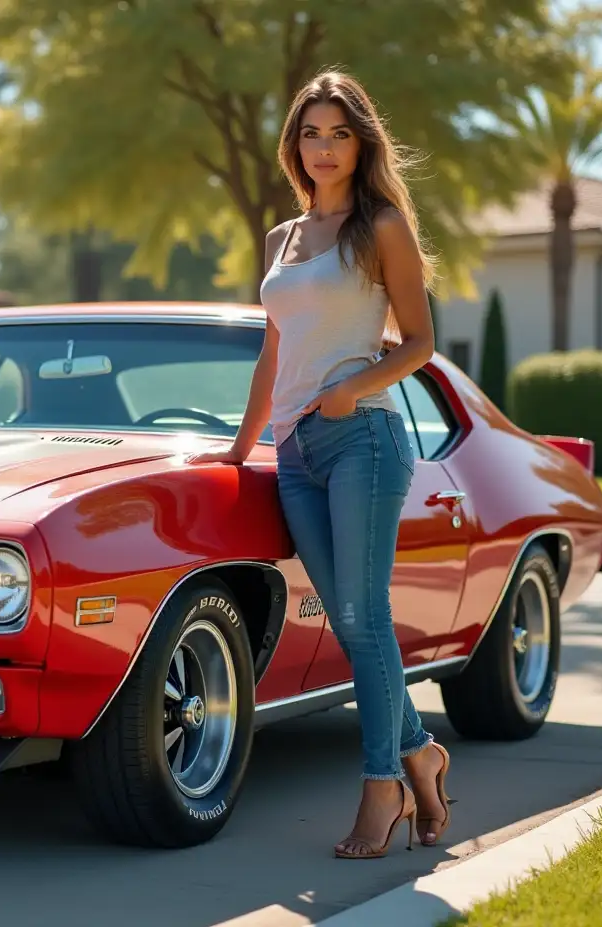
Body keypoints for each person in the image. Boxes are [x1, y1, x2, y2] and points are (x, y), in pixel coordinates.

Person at [187, 69, 451, 859]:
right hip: (296, 451)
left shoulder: (382, 227)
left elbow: (419, 342)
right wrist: (241, 449)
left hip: (364, 436)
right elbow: (275, 350)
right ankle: (422, 755)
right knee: (349, 625)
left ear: (359, 141)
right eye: (312, 132)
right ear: (294, 144)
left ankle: (382, 791)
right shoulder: (281, 240)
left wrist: (352, 390)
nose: (324, 147)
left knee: (364, 621)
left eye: (339, 133)